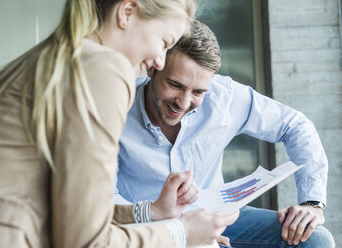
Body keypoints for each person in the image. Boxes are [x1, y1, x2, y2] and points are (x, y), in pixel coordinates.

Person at [0, 1, 240, 247]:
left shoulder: (59, 56)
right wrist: (181, 233)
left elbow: (78, 211)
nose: (159, 61)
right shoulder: (103, 68)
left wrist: (154, 212)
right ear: (127, 12)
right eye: (164, 42)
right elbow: (86, 241)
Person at [115, 20, 336, 247]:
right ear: (152, 68)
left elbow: (296, 126)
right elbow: (103, 204)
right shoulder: (114, 108)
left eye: (198, 91)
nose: (183, 102)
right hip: (144, 227)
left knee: (316, 240)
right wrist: (179, 234)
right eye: (175, 85)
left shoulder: (224, 96)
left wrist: (312, 203)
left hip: (217, 217)